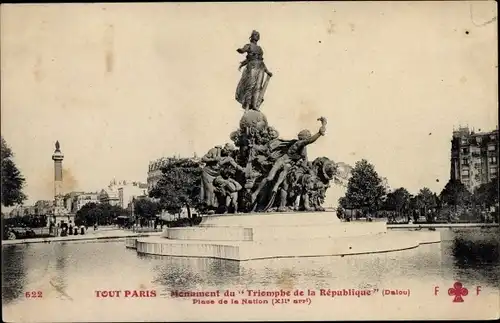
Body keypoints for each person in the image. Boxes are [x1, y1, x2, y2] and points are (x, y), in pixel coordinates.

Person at [235, 30, 273, 111]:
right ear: (251, 36)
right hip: (252, 66)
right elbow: (244, 52)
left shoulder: (260, 49)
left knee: (258, 87)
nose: (256, 36)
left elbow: (261, 61)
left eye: (257, 35)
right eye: (255, 34)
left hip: (260, 67)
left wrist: (267, 71)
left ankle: (255, 105)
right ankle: (247, 107)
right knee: (250, 86)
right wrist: (240, 50)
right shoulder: (248, 46)